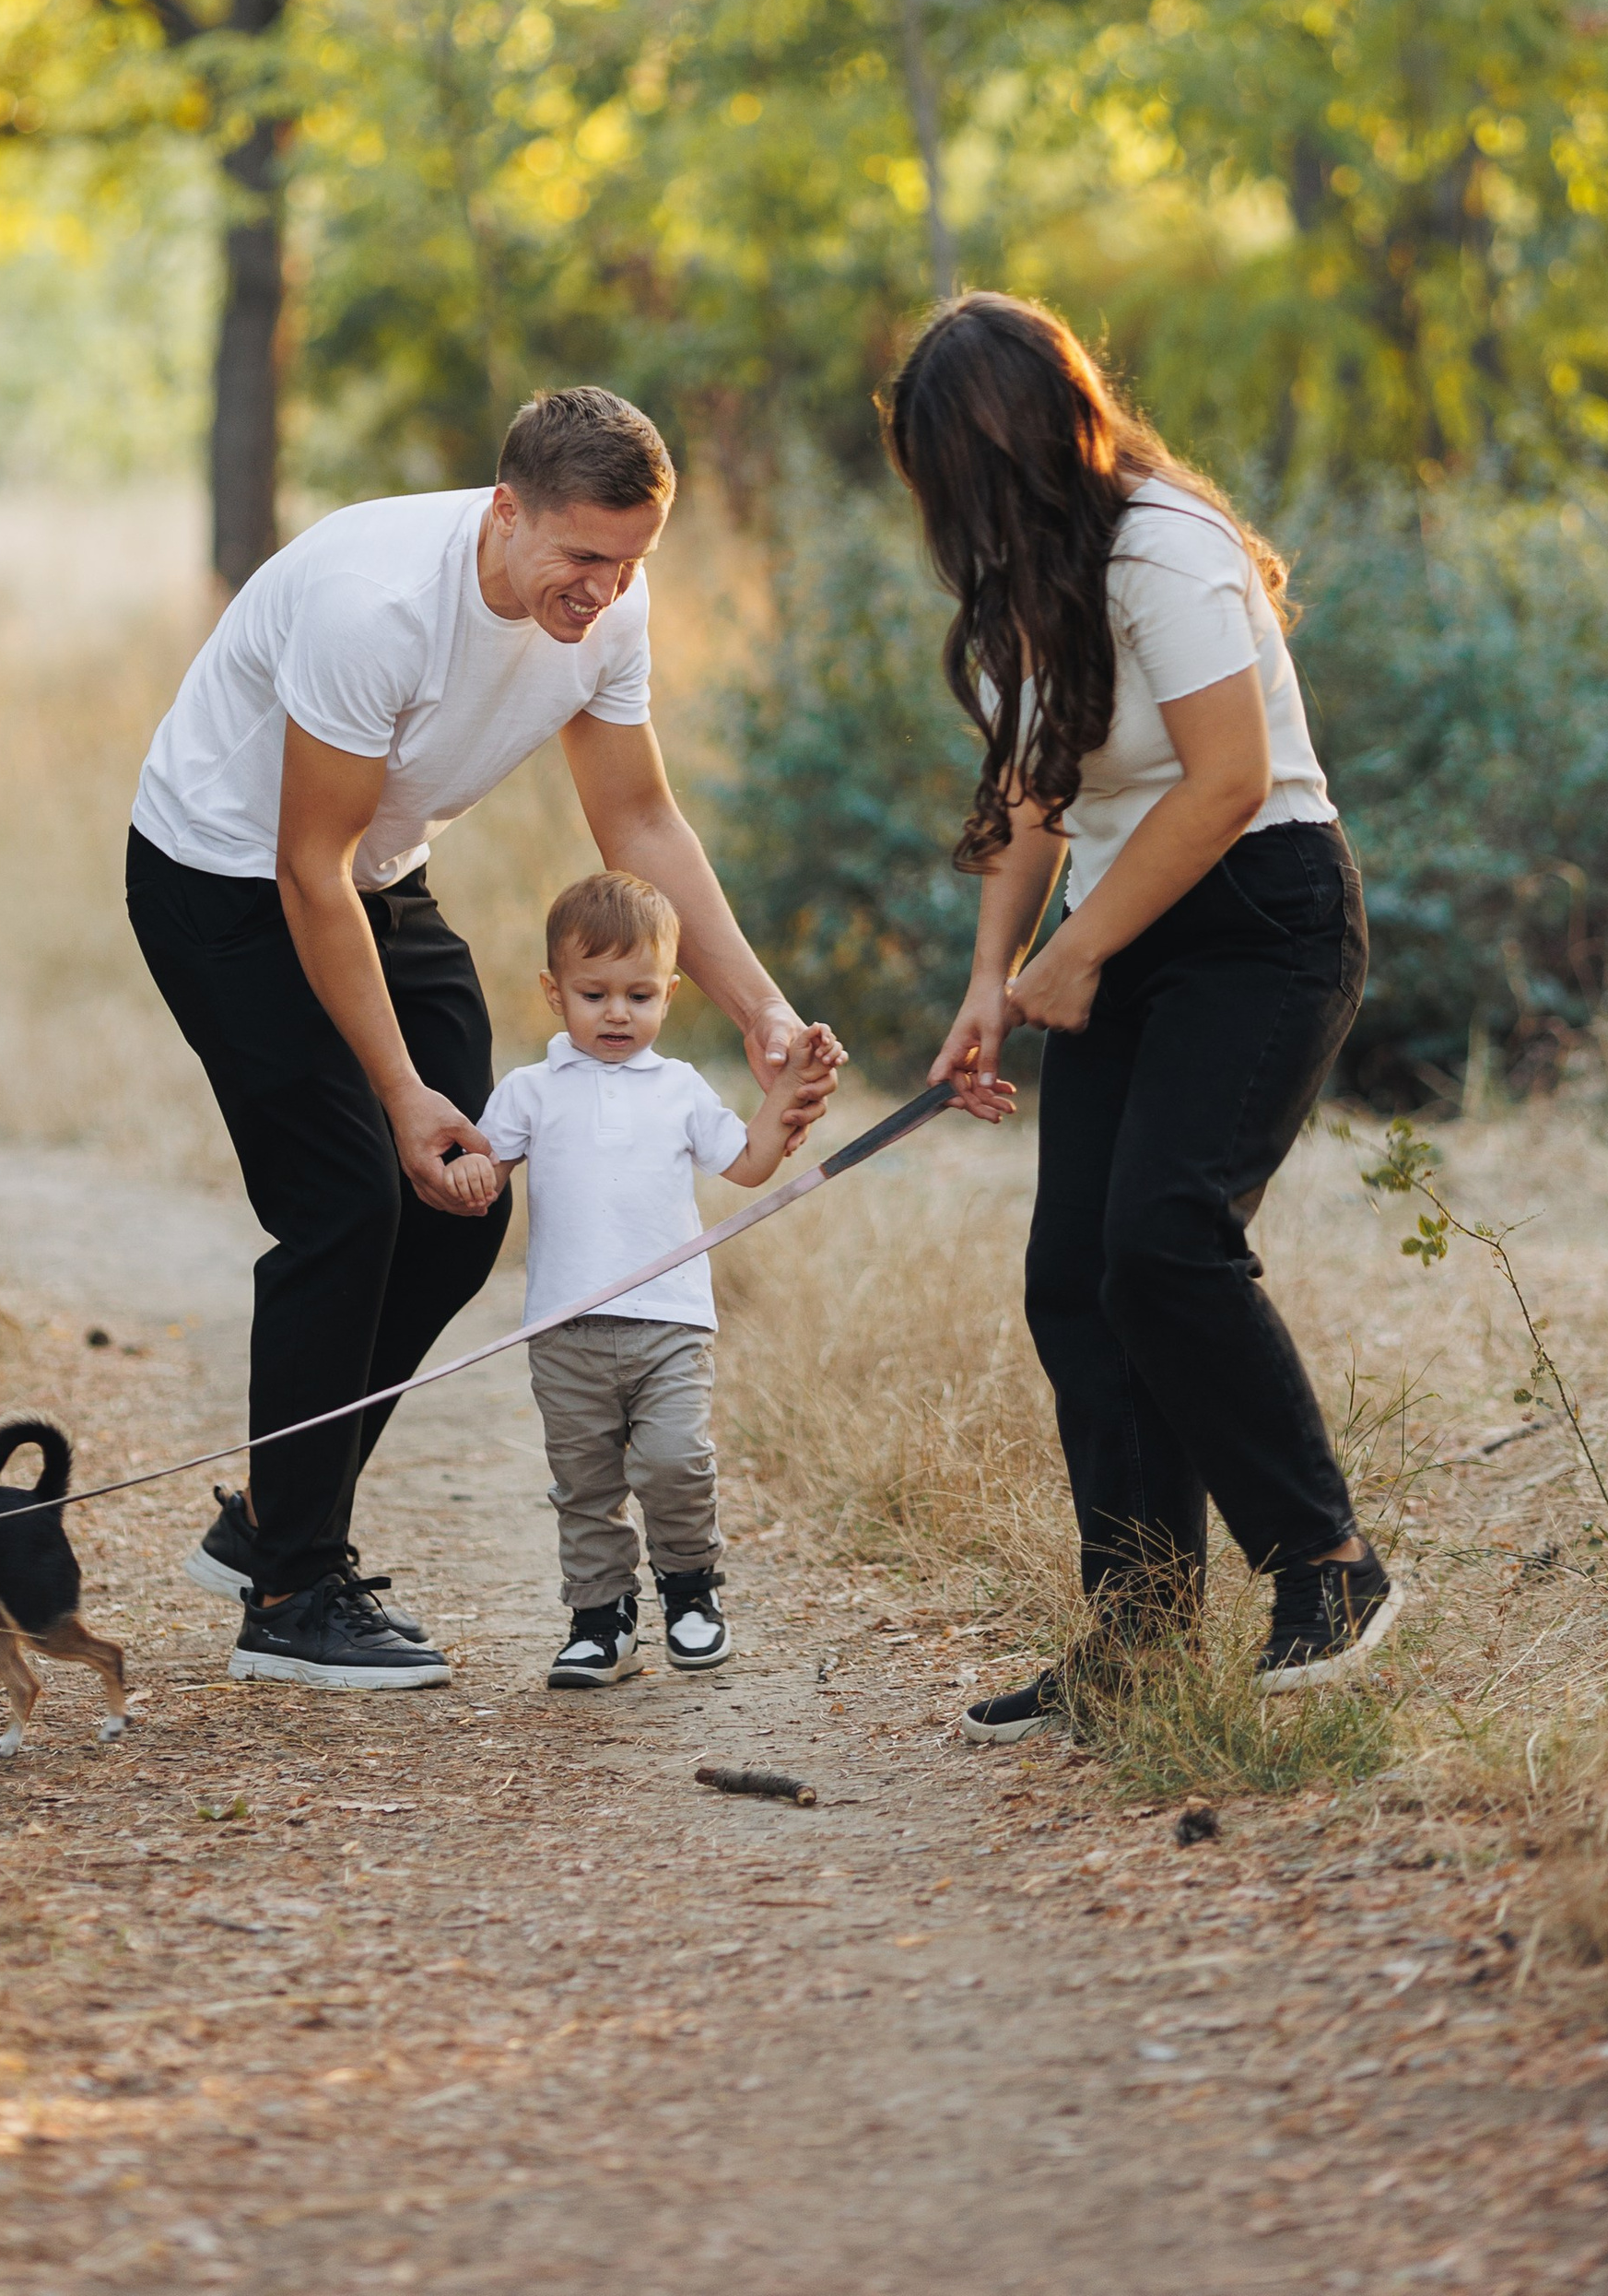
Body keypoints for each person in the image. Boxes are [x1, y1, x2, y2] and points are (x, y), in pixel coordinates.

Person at [125, 387, 840, 1698]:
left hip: (376, 877)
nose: (606, 590)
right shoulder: (376, 604)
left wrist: (761, 1012)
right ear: (505, 512)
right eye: (581, 558)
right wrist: (397, 1093)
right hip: (225, 882)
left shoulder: (607, 602)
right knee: (349, 1198)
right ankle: (290, 1593)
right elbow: (304, 868)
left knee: (461, 1204)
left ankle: (275, 1516)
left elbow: (637, 818)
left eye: (632, 563)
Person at [883, 292, 1393, 1739]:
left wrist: (1081, 953)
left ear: (1048, 431)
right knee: (1076, 1272)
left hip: (1263, 915)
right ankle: (1145, 1632)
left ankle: (1328, 1566)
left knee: (1167, 1239)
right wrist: (997, 976)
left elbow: (1225, 780)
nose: (961, 507)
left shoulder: (1167, 545)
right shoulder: (1023, 576)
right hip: (1133, 928)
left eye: (973, 467)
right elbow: (1041, 800)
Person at [450, 870, 825, 1690]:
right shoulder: (529, 1091)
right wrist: (472, 1179)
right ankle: (600, 1621)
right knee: (585, 1484)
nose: (618, 1013)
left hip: (670, 1322)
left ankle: (691, 1593)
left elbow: (750, 1163)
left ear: (671, 994)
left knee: (675, 1462)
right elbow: (483, 1169)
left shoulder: (681, 1089)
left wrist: (789, 1093)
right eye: (595, 994)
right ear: (555, 993)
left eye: (640, 994)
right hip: (565, 1330)